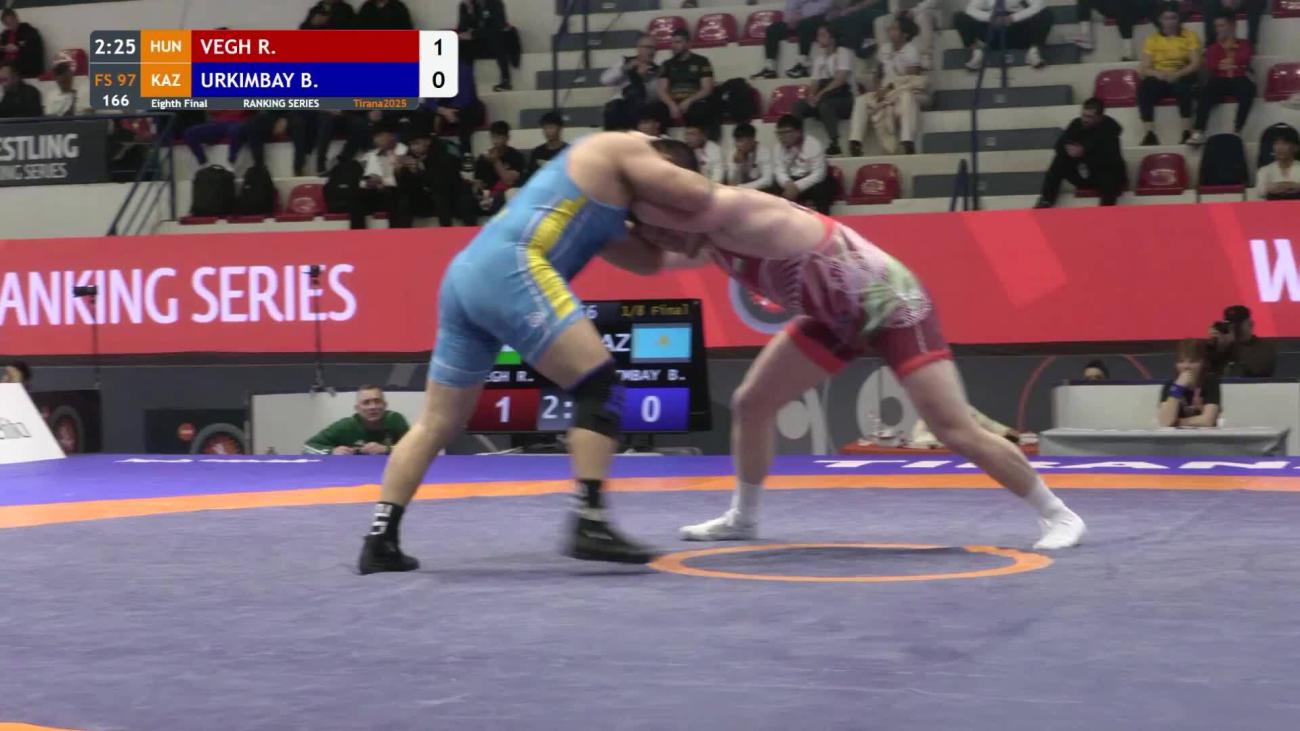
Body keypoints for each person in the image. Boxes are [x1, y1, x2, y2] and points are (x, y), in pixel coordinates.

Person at [627, 177, 1086, 551]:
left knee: (953, 429)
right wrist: (594, 230)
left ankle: (1058, 514)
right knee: (752, 403)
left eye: (663, 227)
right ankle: (742, 518)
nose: (662, 240)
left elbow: (687, 206)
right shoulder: (708, 242)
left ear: (678, 206)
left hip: (892, 305)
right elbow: (647, 262)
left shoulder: (735, 210)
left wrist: (620, 175)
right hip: (836, 317)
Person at [355, 132, 718, 574]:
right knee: (600, 387)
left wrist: (716, 247)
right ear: (661, 163)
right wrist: (743, 216)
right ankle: (590, 519)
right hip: (511, 267)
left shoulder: (604, 201)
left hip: (466, 276)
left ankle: (380, 539)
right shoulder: (622, 147)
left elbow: (651, 263)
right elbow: (697, 195)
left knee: (435, 423)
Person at [849, 14, 927, 156]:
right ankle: (855, 143)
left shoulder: (912, 51)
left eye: (895, 28)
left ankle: (907, 142)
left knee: (906, 96)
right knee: (861, 100)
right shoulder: (884, 49)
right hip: (884, 93)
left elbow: (910, 79)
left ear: (905, 34)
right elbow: (878, 74)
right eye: (890, 28)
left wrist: (888, 89)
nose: (890, 31)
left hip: (901, 92)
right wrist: (878, 89)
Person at [1035, 97, 1126, 208]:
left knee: (1110, 174)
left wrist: (1084, 151)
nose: (1085, 119)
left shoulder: (1110, 128)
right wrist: (1069, 150)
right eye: (1083, 115)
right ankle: (1046, 200)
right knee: (1058, 161)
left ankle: (1106, 211)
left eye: (1089, 117)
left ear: (1100, 117)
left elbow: (1110, 159)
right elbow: (1059, 146)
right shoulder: (1076, 124)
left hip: (1102, 174)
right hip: (1083, 171)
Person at [1138, 3, 1201, 146]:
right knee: (1144, 88)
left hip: (1182, 73)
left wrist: (1178, 74)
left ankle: (1186, 132)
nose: (1170, 22)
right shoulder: (1152, 39)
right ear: (1160, 20)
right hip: (1161, 76)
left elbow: (1195, 63)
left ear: (1179, 19)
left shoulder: (1190, 36)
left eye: (1173, 18)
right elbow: (1144, 68)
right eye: (1166, 18)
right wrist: (1157, 73)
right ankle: (1149, 133)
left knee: (1184, 87)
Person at [1190, 13, 1255, 146]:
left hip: (1239, 78)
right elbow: (1212, 65)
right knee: (1206, 91)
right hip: (1220, 80)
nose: (1218, 29)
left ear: (1232, 26)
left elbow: (1244, 58)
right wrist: (1231, 60)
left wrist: (1228, 61)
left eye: (1222, 25)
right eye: (1217, 26)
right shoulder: (1213, 47)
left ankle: (1237, 129)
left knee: (1248, 89)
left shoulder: (1244, 43)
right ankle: (1198, 131)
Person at [791, 24, 855, 156]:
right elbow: (815, 81)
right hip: (824, 97)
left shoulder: (843, 53)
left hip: (843, 98)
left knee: (825, 106)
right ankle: (797, 142)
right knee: (799, 106)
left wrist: (820, 94)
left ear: (832, 38)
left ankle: (835, 144)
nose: (818, 38)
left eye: (822, 35)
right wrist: (811, 96)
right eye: (818, 35)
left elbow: (840, 80)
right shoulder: (819, 58)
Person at [648, 29, 719, 134]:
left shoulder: (702, 61)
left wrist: (688, 101)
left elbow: (707, 89)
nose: (673, 46)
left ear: (688, 44)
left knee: (701, 110)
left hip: (694, 101)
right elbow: (661, 90)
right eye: (672, 43)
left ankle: (697, 140)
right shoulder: (666, 64)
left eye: (678, 42)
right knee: (655, 110)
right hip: (673, 101)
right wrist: (671, 104)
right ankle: (662, 140)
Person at [304, 386, 410, 455]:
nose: (373, 407)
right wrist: (332, 451)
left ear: (385, 405)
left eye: (377, 401)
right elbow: (308, 447)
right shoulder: (346, 426)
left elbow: (415, 449)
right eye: (366, 403)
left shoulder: (395, 420)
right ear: (357, 408)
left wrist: (387, 449)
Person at [955, 0, 1053, 71]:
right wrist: (990, 18)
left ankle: (1034, 52)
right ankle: (976, 53)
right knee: (960, 17)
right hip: (993, 32)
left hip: (1018, 30)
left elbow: (1039, 5)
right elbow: (970, 9)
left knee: (1046, 14)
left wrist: (1013, 18)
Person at [753, 0, 836, 79]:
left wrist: (801, 16)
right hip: (798, 20)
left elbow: (825, 6)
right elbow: (791, 4)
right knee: (772, 29)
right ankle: (770, 68)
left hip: (820, 20)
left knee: (805, 24)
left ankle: (802, 66)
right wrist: (790, 18)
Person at [351, 124, 412, 229]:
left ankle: (397, 233)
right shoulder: (373, 154)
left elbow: (402, 179)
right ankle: (358, 233)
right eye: (375, 137)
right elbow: (366, 177)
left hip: (397, 190)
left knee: (397, 196)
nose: (377, 140)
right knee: (356, 196)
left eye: (380, 136)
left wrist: (382, 181)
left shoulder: (404, 151)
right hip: (378, 192)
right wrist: (368, 182)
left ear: (391, 136)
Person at [772, 114, 834, 214]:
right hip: (791, 182)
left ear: (798, 132)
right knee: (774, 185)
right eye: (779, 133)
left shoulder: (813, 144)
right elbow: (779, 170)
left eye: (786, 132)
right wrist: (787, 183)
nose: (781, 137)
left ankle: (824, 220)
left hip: (810, 182)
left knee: (823, 187)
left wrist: (797, 187)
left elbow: (819, 174)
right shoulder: (778, 148)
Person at [601, 35, 661, 131]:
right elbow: (605, 80)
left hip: (643, 105)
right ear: (638, 48)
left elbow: (654, 95)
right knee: (612, 107)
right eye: (648, 47)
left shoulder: (658, 70)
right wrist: (624, 69)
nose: (652, 51)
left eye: (654, 48)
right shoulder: (625, 62)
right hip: (622, 104)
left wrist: (640, 78)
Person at [1158, 339, 1221, 428]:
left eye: (1192, 361)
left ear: (1202, 363)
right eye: (1181, 361)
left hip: (1204, 435)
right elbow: (1165, 422)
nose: (1186, 366)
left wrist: (1177, 422)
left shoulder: (1210, 382)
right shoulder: (1170, 386)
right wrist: (1178, 387)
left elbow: (1208, 421)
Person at [457, 0, 513, 92]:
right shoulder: (467, 5)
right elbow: (462, 28)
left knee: (496, 38)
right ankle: (463, 83)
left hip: (492, 42)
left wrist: (474, 34)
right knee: (460, 43)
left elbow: (498, 26)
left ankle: (505, 80)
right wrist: (469, 12)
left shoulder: (495, 3)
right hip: (478, 43)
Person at [472, 120, 526, 215]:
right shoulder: (483, 157)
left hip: (505, 195)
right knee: (466, 199)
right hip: (487, 195)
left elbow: (509, 181)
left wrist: (496, 161)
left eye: (499, 137)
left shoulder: (516, 156)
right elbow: (477, 182)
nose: (496, 141)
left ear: (507, 138)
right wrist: (477, 190)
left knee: (502, 197)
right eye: (493, 137)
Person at [1208, 305, 1278, 377]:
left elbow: (1258, 371)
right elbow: (1210, 370)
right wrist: (1218, 347)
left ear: (1250, 324)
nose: (1233, 328)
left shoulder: (1264, 347)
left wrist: (1234, 346)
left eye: (1237, 324)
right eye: (1229, 325)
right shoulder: (1222, 345)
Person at [1073, 0, 1155, 60]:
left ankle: (1128, 53)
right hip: (1115, 5)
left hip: (1139, 6)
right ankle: (1086, 35)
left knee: (1123, 5)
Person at [874, 1, 937, 68]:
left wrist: (914, 11)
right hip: (904, 13)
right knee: (880, 22)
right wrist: (896, 11)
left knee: (923, 16)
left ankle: (926, 55)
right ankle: (885, 58)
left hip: (927, 10)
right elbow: (893, 3)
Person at [1254, 126, 1300, 200]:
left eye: (1284, 143)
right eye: (1276, 143)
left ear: (1296, 147)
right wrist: (1272, 188)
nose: (1279, 148)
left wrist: (1296, 186)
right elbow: (1260, 192)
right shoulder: (1265, 170)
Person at [726, 122, 774, 190]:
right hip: (739, 191)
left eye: (740, 141)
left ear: (752, 140)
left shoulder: (764, 152)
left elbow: (768, 180)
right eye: (736, 141)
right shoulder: (733, 152)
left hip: (759, 190)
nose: (737, 144)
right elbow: (731, 181)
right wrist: (736, 164)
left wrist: (741, 187)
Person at [524, 111, 568, 183]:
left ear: (560, 129)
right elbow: (530, 176)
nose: (548, 131)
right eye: (545, 128)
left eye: (551, 127)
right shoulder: (537, 152)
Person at [0, 9, 44, 78]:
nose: (11, 25)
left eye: (12, 21)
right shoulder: (5, 35)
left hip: (25, 68)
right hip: (6, 67)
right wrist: (3, 48)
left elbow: (35, 52)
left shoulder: (30, 32)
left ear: (16, 18)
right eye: (7, 24)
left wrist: (18, 48)